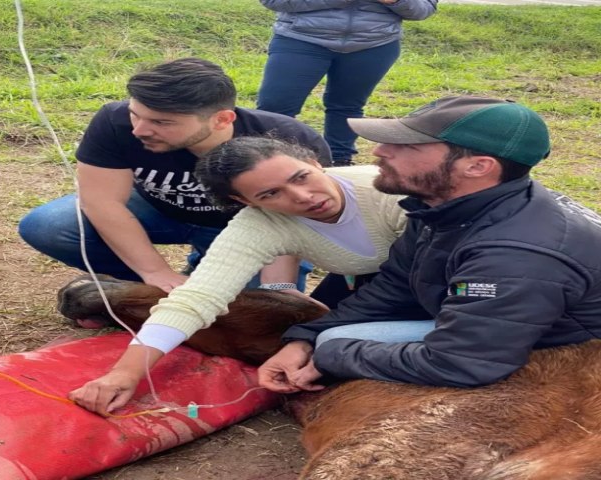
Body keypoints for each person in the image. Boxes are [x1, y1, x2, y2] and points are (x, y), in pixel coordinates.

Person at [258, 95, 601, 393]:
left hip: (570, 341)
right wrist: (304, 338)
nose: (379, 151)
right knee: (330, 339)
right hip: (509, 318)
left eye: (407, 146)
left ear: (478, 166)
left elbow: (462, 362)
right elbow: (395, 286)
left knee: (336, 345)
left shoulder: (516, 254)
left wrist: (329, 354)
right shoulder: (444, 206)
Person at [68, 136, 407, 415]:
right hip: (373, 282)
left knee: (330, 346)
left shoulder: (389, 193)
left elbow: (421, 283)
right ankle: (116, 299)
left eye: (301, 177)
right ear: (244, 201)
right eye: (269, 194)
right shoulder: (258, 224)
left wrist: (312, 335)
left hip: (435, 283)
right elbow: (197, 298)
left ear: (316, 163)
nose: (303, 197)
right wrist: (123, 375)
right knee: (298, 335)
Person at [18, 58, 331, 306]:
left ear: (222, 119)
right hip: (158, 211)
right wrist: (155, 272)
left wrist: (277, 286)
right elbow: (101, 201)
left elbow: (294, 222)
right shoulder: (114, 122)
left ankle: (196, 274)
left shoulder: (286, 141)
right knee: (50, 225)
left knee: (255, 311)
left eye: (161, 122)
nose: (140, 130)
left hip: (250, 229)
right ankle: (140, 291)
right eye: (135, 115)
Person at [257, 0, 437, 166]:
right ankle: (265, 162)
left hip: (375, 44)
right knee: (275, 106)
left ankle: (340, 163)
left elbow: (423, 9)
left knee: (347, 106)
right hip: (300, 40)